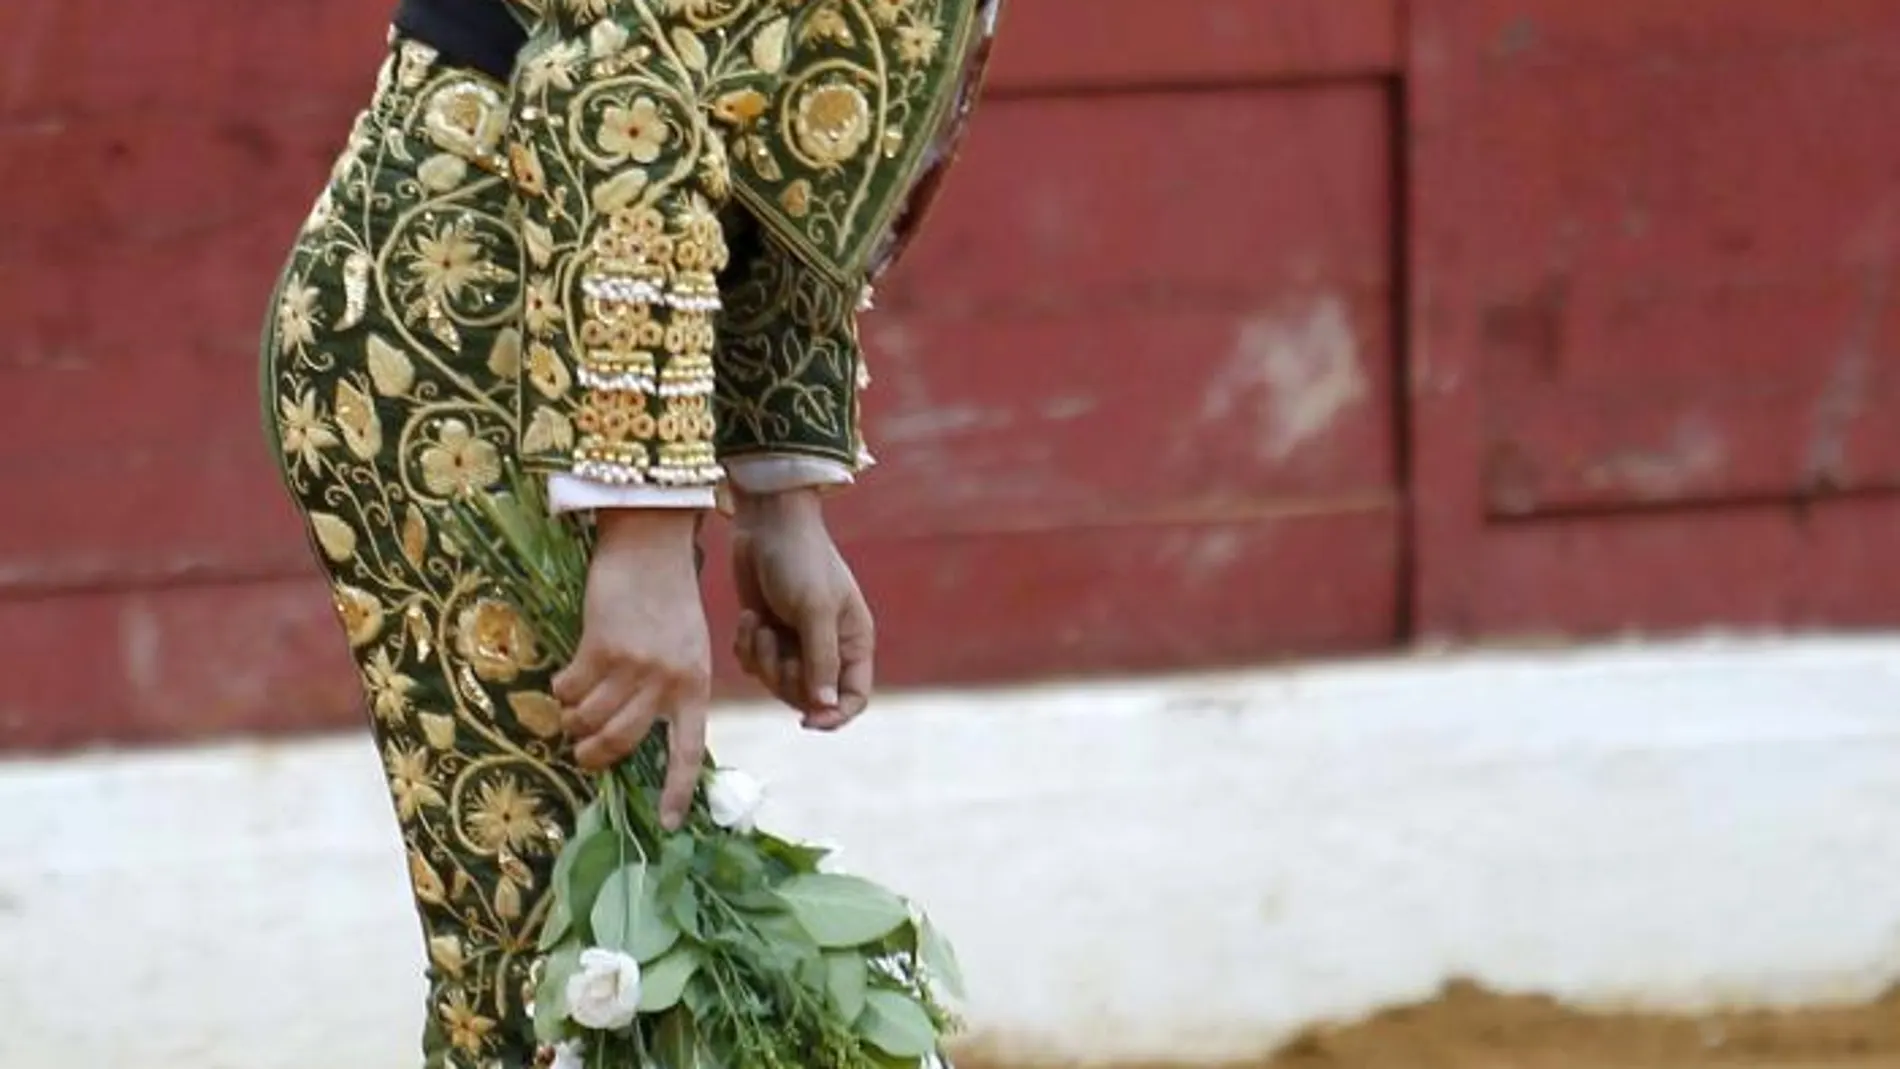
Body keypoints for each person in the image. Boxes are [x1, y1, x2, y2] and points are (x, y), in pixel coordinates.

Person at [259, 0, 998, 1064]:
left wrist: (779, 497)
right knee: (558, 958)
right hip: (461, 354)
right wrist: (647, 535)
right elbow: (613, 90)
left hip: (538, 356)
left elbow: (780, 125)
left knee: (603, 935)